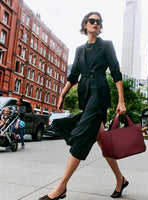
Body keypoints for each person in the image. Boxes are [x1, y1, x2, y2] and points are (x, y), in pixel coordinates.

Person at [38, 12, 128, 200]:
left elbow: (116, 72)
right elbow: (73, 76)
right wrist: (62, 93)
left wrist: (121, 100)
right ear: (85, 25)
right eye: (92, 21)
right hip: (85, 96)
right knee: (102, 141)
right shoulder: (79, 50)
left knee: (81, 137)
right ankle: (120, 179)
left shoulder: (107, 46)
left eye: (98, 21)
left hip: (99, 95)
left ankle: (61, 187)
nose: (96, 23)